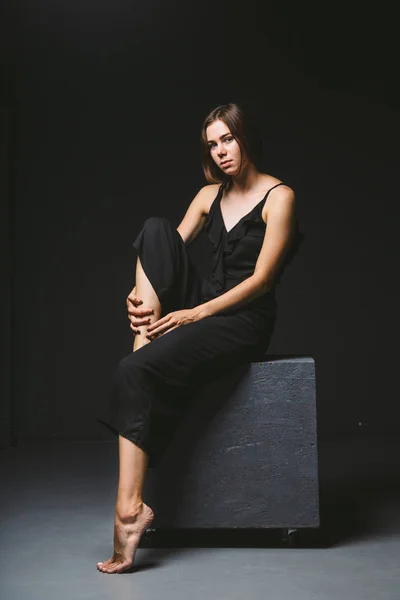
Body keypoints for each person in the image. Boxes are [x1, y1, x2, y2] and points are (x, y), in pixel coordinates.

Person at [96, 102, 298, 574]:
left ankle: (129, 513)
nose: (222, 151)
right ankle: (145, 341)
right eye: (212, 143)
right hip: (200, 303)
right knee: (154, 229)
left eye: (228, 138)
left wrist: (193, 315)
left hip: (242, 320)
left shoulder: (279, 196)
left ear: (245, 138)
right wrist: (139, 292)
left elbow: (263, 281)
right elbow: (165, 249)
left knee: (133, 371)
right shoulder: (209, 195)